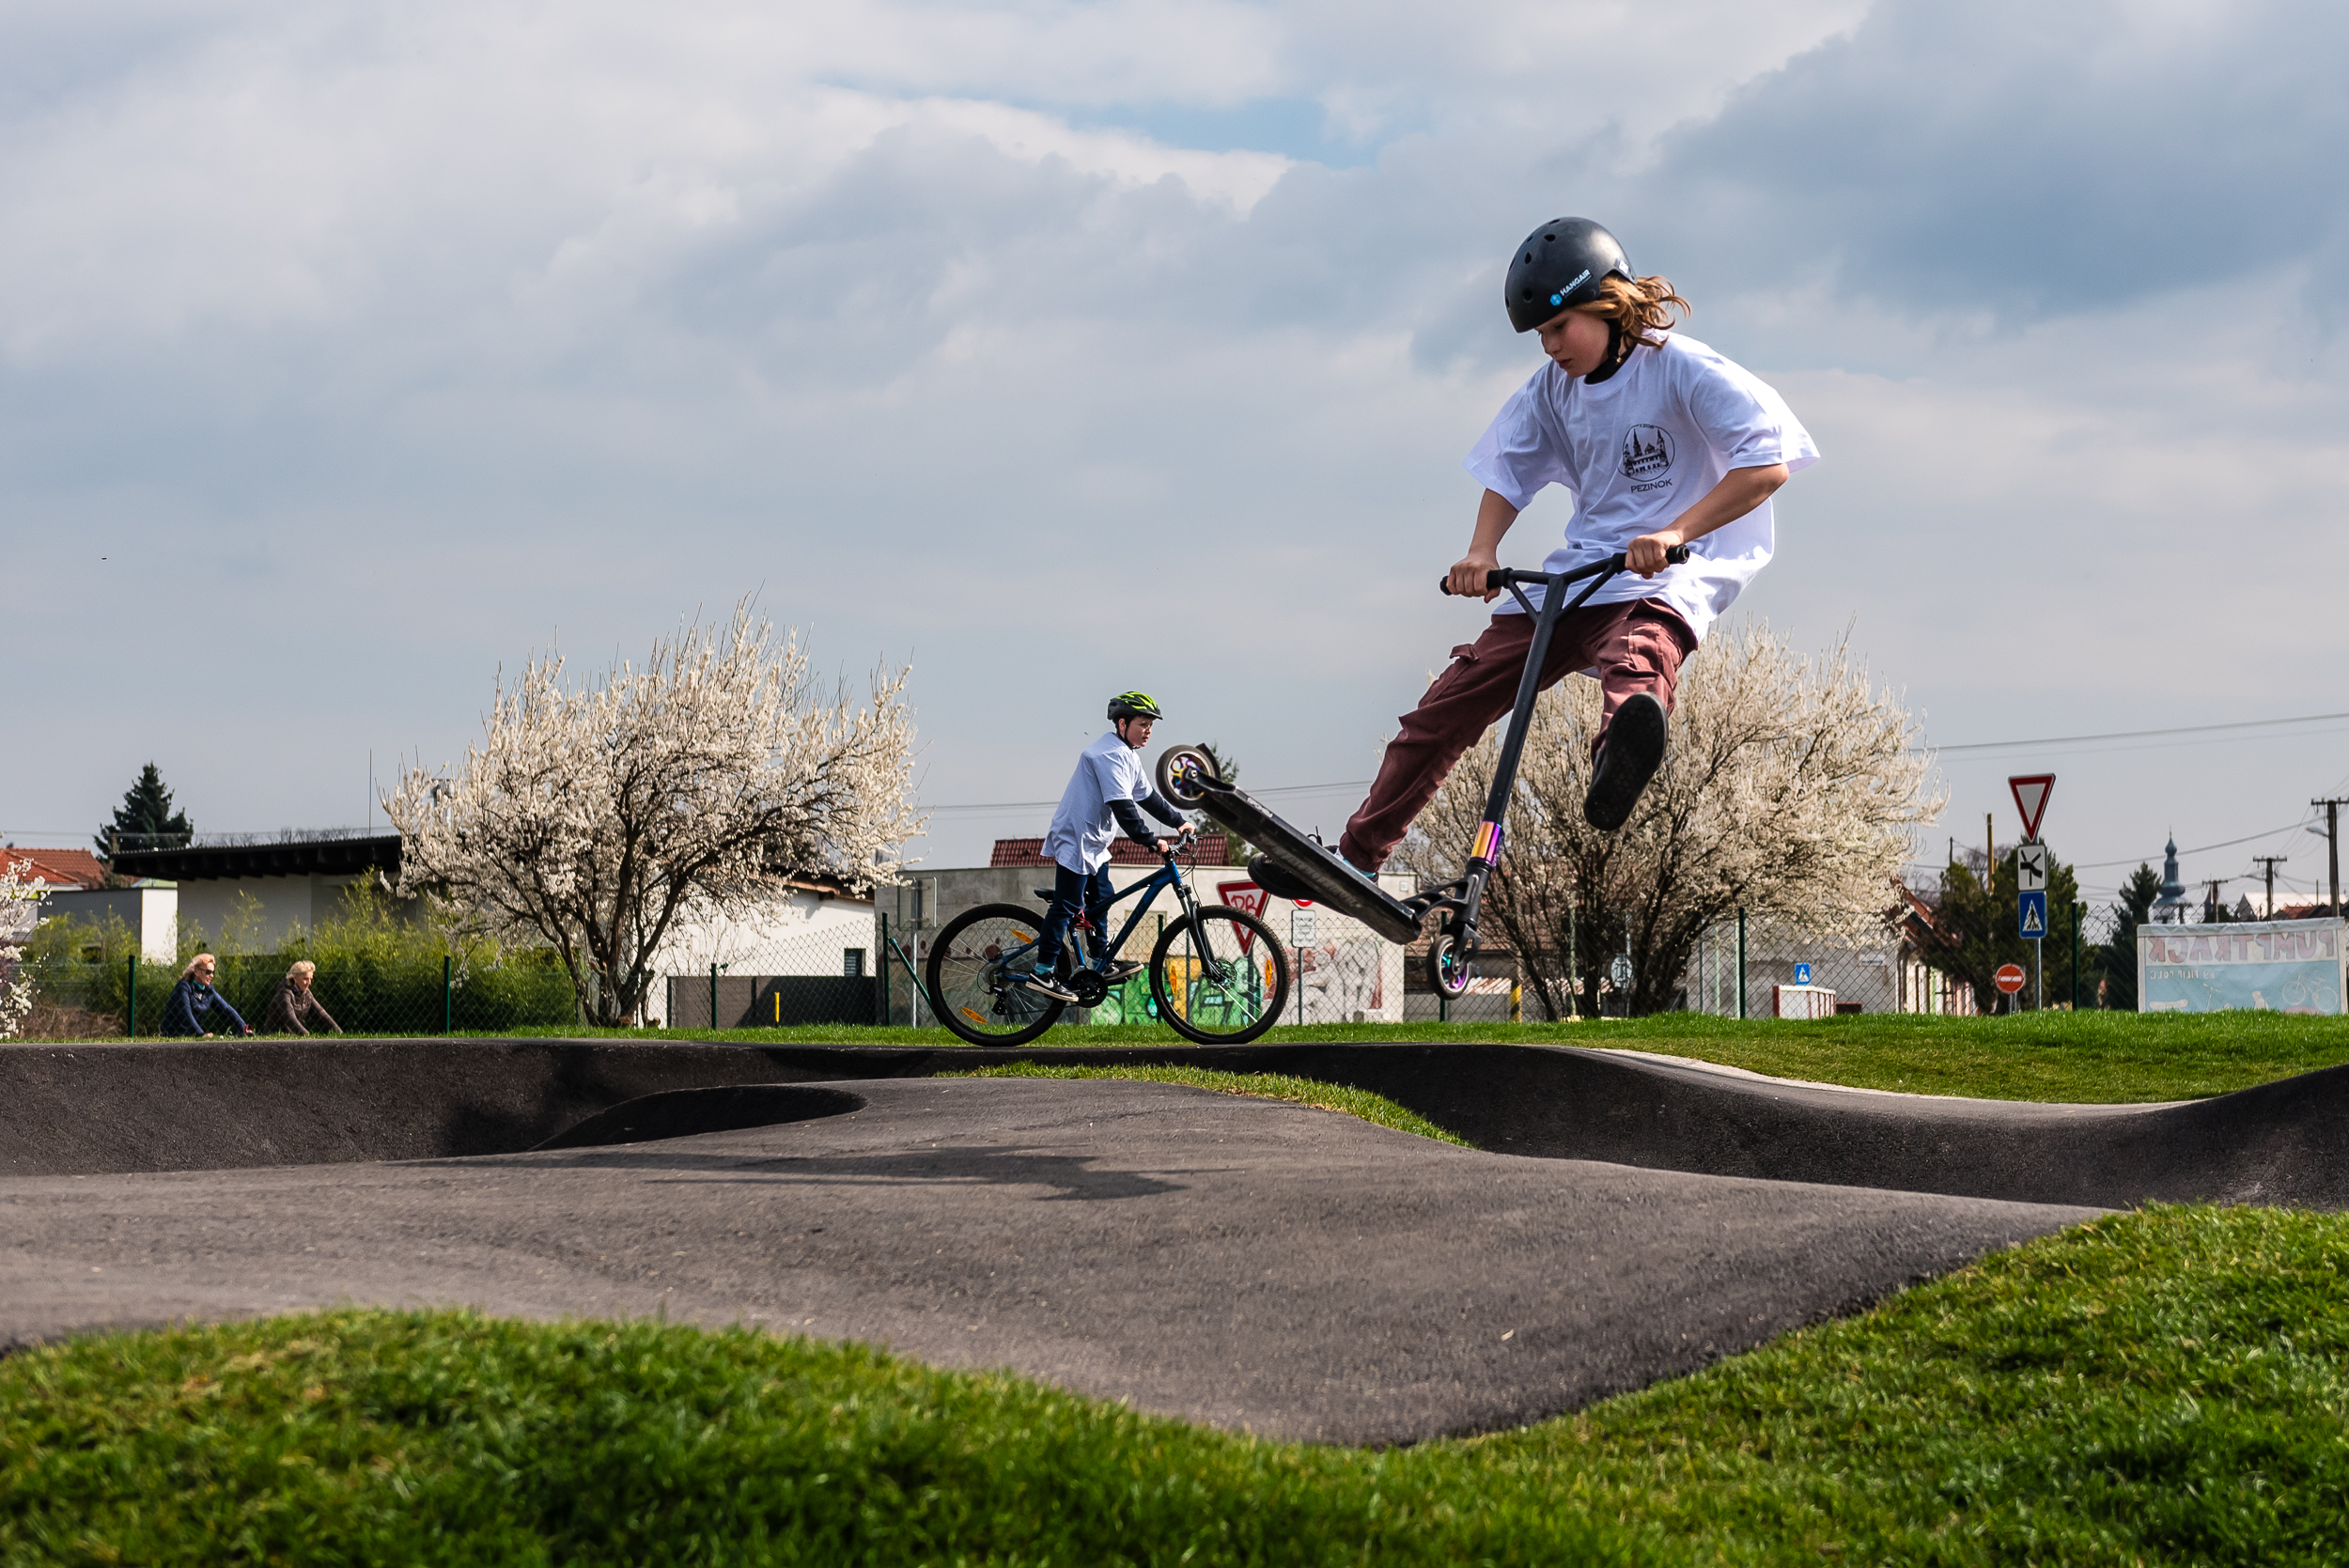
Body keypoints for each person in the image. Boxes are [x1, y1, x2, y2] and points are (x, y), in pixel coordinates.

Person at [1257, 217, 1816, 901]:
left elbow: (1767, 465)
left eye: (1560, 328)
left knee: (1638, 655)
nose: (1551, 348)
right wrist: (1481, 550)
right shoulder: (1553, 389)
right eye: (1541, 337)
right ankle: (1354, 858)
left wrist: (1675, 531)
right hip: (1576, 580)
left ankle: (1619, 754)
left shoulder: (1681, 368)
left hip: (1664, 576)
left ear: (1608, 304)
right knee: (1444, 707)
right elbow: (1510, 467)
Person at [1023, 691, 1194, 1002]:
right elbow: (1122, 806)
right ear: (1122, 723)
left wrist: (1178, 822)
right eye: (1143, 724)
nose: (1148, 731)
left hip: (1096, 842)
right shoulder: (1108, 756)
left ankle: (1101, 961)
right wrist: (1150, 840)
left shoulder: (1127, 755)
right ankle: (1043, 971)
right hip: (1077, 838)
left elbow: (1147, 797)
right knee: (1067, 904)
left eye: (1151, 726)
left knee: (1102, 896)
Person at [160, 953, 252, 1038]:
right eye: (208, 972)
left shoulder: (208, 990)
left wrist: (244, 1028)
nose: (211, 975)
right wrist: (201, 1034)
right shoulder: (183, 987)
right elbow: (186, 1014)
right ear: (196, 971)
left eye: (213, 972)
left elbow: (226, 1009)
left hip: (190, 1035)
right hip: (173, 1035)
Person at [260, 959, 344, 1035]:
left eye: (310, 979)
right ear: (295, 978)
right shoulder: (284, 994)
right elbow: (291, 1020)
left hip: (293, 1039)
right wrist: (308, 1037)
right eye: (305, 979)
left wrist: (340, 1034)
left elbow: (321, 1014)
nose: (309, 983)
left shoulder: (307, 994)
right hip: (275, 1041)